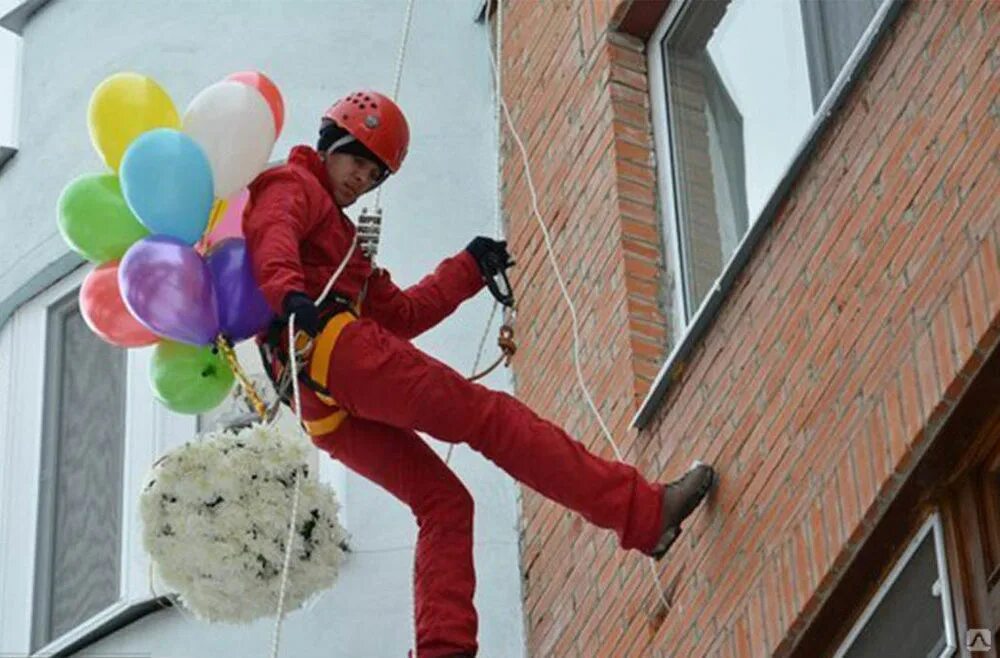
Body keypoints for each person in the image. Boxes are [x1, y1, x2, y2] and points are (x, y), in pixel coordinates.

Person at [243, 89, 716, 658]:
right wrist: (289, 292)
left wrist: (468, 267)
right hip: (331, 351)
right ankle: (643, 512)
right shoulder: (292, 185)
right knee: (491, 418)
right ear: (332, 143)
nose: (362, 180)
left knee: (444, 504)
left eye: (374, 175)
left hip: (321, 403)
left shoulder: (345, 246)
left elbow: (402, 316)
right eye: (357, 162)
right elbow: (272, 235)